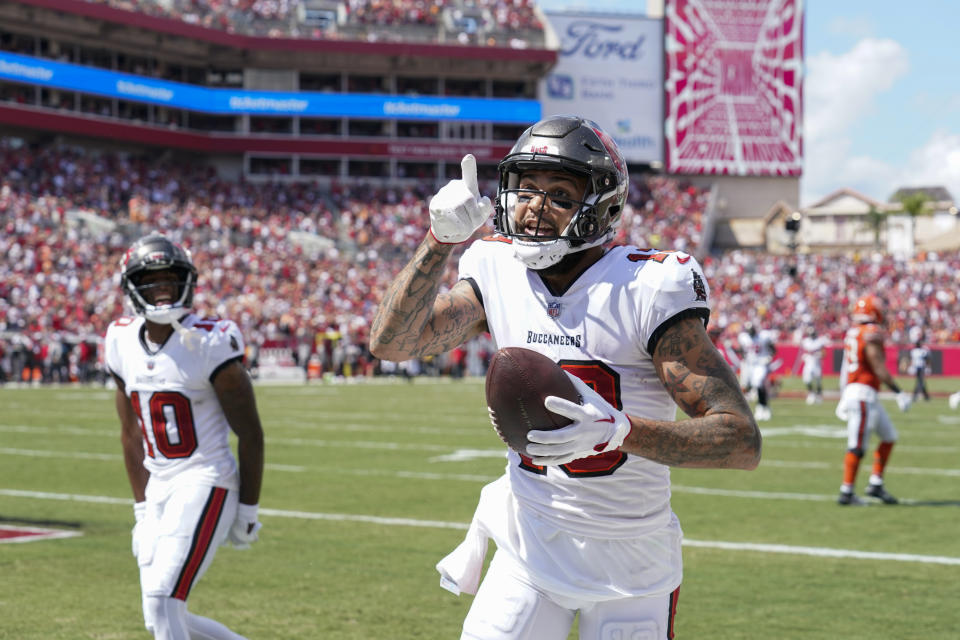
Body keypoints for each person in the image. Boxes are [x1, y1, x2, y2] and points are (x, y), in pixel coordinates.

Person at [369, 115, 761, 640]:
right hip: (528, 546)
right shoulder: (494, 266)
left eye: (559, 194)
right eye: (526, 189)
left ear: (600, 206)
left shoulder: (647, 284)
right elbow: (392, 344)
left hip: (631, 561)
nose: (535, 207)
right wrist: (437, 241)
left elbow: (739, 440)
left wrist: (619, 432)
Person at [105, 233, 265, 640]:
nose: (161, 290)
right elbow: (130, 434)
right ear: (132, 288)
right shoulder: (121, 338)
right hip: (158, 485)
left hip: (206, 478)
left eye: (169, 280)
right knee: (158, 615)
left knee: (163, 599)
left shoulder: (209, 340)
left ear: (186, 282)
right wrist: (141, 511)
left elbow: (250, 433)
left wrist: (247, 509)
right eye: (151, 281)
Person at [835, 294, 910, 506]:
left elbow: (844, 368)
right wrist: (898, 391)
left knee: (889, 436)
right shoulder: (870, 333)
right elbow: (877, 366)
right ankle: (846, 492)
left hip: (861, 393)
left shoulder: (853, 332)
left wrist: (843, 394)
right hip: (862, 395)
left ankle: (875, 483)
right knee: (857, 445)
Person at [737, 322, 778, 420]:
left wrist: (769, 357)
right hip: (750, 365)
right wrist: (744, 357)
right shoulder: (744, 338)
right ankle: (765, 407)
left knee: (758, 383)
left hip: (761, 364)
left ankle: (761, 407)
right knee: (752, 385)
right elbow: (741, 350)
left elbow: (773, 349)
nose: (751, 333)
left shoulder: (763, 337)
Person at [794, 325, 828, 404]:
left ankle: (819, 395)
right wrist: (804, 356)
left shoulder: (819, 341)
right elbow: (802, 352)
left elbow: (824, 353)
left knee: (818, 381)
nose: (812, 335)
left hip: (816, 363)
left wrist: (819, 354)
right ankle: (811, 393)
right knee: (807, 379)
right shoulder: (806, 341)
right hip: (808, 363)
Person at [908, 337, 931, 402]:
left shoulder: (917, 351)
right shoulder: (921, 351)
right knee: (920, 382)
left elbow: (927, 359)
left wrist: (927, 367)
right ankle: (922, 396)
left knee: (920, 381)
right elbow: (927, 359)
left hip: (920, 367)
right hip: (919, 367)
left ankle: (924, 396)